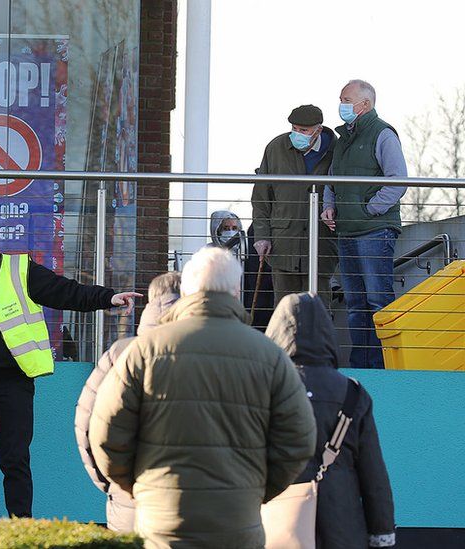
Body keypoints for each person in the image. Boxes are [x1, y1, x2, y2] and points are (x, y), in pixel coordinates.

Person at [88, 246, 316, 548]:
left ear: (188, 289)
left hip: (161, 523)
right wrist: (255, 491)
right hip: (238, 521)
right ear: (236, 290)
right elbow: (298, 441)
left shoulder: (143, 351)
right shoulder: (270, 356)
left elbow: (105, 434)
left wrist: (142, 488)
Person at [0, 213, 142, 520]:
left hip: (12, 383)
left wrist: (107, 298)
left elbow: (65, 291)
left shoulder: (18, 269)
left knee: (14, 460)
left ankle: (19, 527)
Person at [266, 293, 397, 548]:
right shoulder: (352, 393)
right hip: (343, 530)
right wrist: (383, 535)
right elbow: (374, 477)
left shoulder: (262, 390)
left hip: (278, 527)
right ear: (328, 335)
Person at [74, 271, 180, 532]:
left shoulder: (121, 353)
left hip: (129, 499)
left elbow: (87, 426)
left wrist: (112, 484)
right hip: (191, 507)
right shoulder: (206, 355)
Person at [321, 79, 407, 369]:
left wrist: (368, 209)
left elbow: (398, 181)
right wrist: (329, 207)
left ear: (365, 104)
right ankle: (363, 367)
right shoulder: (343, 139)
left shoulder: (382, 134)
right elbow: (332, 180)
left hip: (374, 230)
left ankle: (385, 367)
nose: (341, 104)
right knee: (356, 305)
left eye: (346, 99)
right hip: (347, 231)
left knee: (378, 300)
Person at [252, 105, 338, 304]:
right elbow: (261, 196)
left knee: (319, 310)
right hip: (283, 244)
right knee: (284, 312)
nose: (297, 134)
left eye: (304, 130)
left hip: (321, 245)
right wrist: (262, 236)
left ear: (318, 129)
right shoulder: (275, 148)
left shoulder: (336, 150)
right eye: (294, 129)